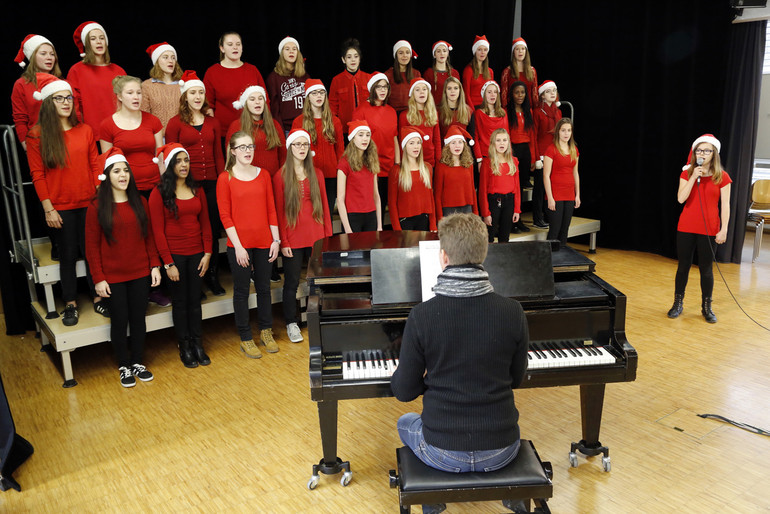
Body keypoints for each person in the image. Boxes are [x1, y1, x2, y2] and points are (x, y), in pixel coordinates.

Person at [391, 212, 529, 514]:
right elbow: (516, 379)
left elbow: (403, 392)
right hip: (502, 449)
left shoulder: (423, 315)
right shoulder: (513, 311)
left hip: (443, 451)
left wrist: (427, 374)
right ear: (484, 253)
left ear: (443, 256)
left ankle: (432, 505)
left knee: (405, 423)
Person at [26, 74, 103, 325]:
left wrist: (98, 198)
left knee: (94, 253)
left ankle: (98, 299)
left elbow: (94, 166)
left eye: (68, 97)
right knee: (68, 256)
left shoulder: (86, 130)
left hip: (89, 203)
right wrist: (49, 209)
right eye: (59, 98)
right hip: (61, 207)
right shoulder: (37, 135)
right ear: (49, 103)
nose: (66, 102)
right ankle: (70, 304)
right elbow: (38, 175)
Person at [85, 147, 161, 388]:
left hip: (139, 272)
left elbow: (148, 238)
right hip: (113, 277)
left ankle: (138, 361)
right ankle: (123, 365)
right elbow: (92, 247)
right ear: (107, 176)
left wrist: (155, 266)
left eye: (126, 170)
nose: (123, 175)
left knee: (138, 319)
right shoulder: (97, 206)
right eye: (117, 170)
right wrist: (98, 278)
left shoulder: (141, 201)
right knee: (120, 320)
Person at [217, 131, 281, 359]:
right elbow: (225, 216)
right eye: (242, 147)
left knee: (264, 289)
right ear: (232, 151)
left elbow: (271, 209)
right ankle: (245, 337)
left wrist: (276, 240)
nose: (247, 151)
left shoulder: (263, 175)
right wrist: (239, 246)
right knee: (242, 292)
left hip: (265, 242)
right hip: (240, 246)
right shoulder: (226, 178)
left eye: (250, 146)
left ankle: (266, 331)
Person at [149, 143, 213, 368]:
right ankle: (184, 346)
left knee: (195, 302)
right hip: (174, 256)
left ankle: (198, 344)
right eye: (178, 161)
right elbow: (157, 231)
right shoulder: (158, 193)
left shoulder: (198, 190)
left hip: (197, 254)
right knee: (180, 302)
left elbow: (205, 223)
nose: (184, 165)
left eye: (186, 160)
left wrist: (207, 253)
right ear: (169, 165)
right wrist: (168, 263)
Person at [165, 70, 226, 296]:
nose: (198, 96)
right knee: (194, 232)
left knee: (211, 229)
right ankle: (196, 281)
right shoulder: (175, 123)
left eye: (201, 92)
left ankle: (212, 276)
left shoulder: (213, 122)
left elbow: (218, 154)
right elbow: (170, 156)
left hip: (211, 183)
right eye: (193, 92)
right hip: (186, 186)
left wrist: (222, 181)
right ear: (185, 96)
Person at [273, 129, 332, 343]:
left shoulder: (317, 173)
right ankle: (291, 323)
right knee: (291, 283)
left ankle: (319, 319)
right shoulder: (280, 176)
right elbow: (279, 211)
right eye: (296, 145)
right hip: (293, 238)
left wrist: (327, 235)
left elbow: (325, 205)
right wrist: (283, 241)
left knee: (317, 281)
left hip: (316, 235)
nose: (301, 148)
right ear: (290, 148)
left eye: (304, 145)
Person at [668, 134, 731, 323]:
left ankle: (707, 307)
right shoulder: (686, 173)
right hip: (686, 226)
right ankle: (678, 303)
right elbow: (680, 198)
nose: (703, 153)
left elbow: (726, 206)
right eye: (699, 150)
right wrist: (694, 175)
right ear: (695, 153)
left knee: (706, 269)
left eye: (707, 150)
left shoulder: (723, 176)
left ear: (714, 153)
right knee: (683, 267)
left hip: (710, 228)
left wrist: (724, 229)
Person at [99, 76, 164, 197]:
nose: (136, 97)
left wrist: (166, 184)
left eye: (139, 93)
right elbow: (108, 164)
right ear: (119, 96)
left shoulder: (153, 121)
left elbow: (160, 157)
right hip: (125, 189)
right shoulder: (107, 125)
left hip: (155, 186)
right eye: (130, 93)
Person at [291, 79, 344, 218]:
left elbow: (340, 151)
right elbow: (294, 152)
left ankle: (328, 240)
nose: (319, 96)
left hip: (331, 176)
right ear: (308, 97)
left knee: (328, 215)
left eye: (321, 93)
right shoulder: (299, 121)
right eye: (314, 93)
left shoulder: (335, 121)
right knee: (311, 214)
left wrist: (340, 174)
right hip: (309, 175)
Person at [66, 21, 126, 141]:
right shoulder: (76, 70)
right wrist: (79, 130)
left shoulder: (119, 70)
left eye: (101, 38)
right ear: (87, 44)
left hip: (120, 132)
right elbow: (74, 105)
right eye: (93, 39)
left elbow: (127, 102)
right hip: (92, 135)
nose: (98, 41)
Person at [203, 31, 266, 142]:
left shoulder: (252, 70)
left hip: (253, 131)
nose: (235, 48)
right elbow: (208, 106)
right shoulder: (212, 72)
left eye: (238, 44)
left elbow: (265, 101)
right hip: (223, 134)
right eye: (230, 44)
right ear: (222, 48)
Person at [352, 73, 398, 219]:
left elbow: (394, 138)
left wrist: (397, 164)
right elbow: (356, 142)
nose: (383, 90)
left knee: (386, 205)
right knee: (371, 208)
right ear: (372, 88)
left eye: (385, 87)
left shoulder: (391, 111)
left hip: (389, 166)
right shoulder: (361, 111)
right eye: (379, 87)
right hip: (370, 166)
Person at [12, 34, 62, 150]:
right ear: (33, 57)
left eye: (52, 54)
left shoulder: (61, 83)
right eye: (43, 54)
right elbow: (20, 119)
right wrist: (27, 146)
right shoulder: (21, 85)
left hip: (65, 140)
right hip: (39, 143)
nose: (49, 58)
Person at [228, 85, 286, 175]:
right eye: (252, 99)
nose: (257, 102)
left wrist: (281, 177)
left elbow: (283, 156)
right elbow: (231, 158)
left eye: (260, 98)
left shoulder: (274, 125)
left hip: (273, 179)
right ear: (245, 103)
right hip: (247, 180)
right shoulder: (236, 126)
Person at [337, 120, 382, 233]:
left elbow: (376, 195)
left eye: (367, 135)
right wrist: (348, 229)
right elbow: (340, 200)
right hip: (353, 217)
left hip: (371, 216)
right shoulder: (344, 163)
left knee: (370, 250)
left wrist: (380, 225)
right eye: (360, 135)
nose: (365, 138)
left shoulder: (372, 161)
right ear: (353, 138)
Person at [389, 127, 436, 231]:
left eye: (418, 143)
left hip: (424, 220)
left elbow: (430, 198)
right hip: (405, 222)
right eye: (411, 143)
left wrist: (433, 224)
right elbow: (392, 203)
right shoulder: (396, 170)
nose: (416, 147)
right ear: (405, 146)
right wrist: (397, 229)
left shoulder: (427, 168)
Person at [543, 118, 580, 249]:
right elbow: (546, 175)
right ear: (558, 131)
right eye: (563, 130)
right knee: (555, 230)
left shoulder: (574, 149)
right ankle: (549, 262)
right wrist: (550, 198)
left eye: (569, 130)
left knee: (564, 230)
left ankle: (562, 261)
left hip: (569, 194)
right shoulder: (551, 149)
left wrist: (577, 195)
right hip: (556, 195)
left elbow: (575, 173)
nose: (566, 133)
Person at [479, 128, 521, 242]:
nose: (502, 143)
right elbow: (482, 190)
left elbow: (517, 187)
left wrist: (517, 209)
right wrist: (485, 213)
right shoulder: (487, 162)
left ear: (508, 142)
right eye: (498, 140)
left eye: (504, 140)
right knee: (489, 235)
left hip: (509, 202)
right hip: (493, 201)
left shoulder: (514, 161)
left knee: (505, 236)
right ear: (493, 143)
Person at [507, 81, 537, 232]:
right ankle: (511, 222)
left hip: (525, 151)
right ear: (512, 94)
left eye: (523, 92)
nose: (520, 95)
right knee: (514, 188)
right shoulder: (507, 111)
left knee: (522, 189)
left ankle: (519, 220)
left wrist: (532, 157)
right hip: (513, 150)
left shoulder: (528, 111)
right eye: (517, 92)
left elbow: (531, 136)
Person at [532, 80, 562, 228]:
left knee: (551, 187)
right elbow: (534, 137)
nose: (552, 94)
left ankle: (548, 214)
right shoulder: (537, 112)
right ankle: (537, 218)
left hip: (554, 154)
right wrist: (537, 158)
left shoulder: (558, 112)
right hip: (542, 156)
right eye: (549, 91)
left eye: (554, 91)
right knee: (540, 188)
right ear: (542, 96)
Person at [434, 125, 478, 221]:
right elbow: (437, 195)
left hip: (467, 208)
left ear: (464, 145)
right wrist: (440, 217)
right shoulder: (441, 166)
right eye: (453, 142)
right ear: (448, 145)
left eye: (460, 142)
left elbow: (472, 189)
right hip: (448, 210)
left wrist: (476, 213)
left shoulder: (468, 164)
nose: (457, 146)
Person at [266, 36, 309, 133]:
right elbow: (274, 108)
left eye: (294, 49)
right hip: (286, 129)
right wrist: (279, 130)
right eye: (287, 49)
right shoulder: (273, 78)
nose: (291, 52)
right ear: (281, 53)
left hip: (306, 126)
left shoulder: (305, 76)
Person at [468, 81, 508, 184]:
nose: (492, 95)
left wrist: (507, 157)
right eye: (489, 92)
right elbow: (475, 137)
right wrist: (479, 159)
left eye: (495, 92)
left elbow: (507, 136)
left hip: (501, 156)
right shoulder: (478, 114)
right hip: (486, 157)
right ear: (484, 94)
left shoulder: (503, 113)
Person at [329, 38, 370, 136]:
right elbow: (332, 106)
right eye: (349, 57)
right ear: (343, 59)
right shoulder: (337, 80)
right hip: (345, 130)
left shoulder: (369, 78)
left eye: (356, 56)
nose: (353, 60)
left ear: (360, 58)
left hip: (366, 128)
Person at [140, 42, 183, 133]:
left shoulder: (183, 84)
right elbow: (144, 117)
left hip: (181, 137)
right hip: (158, 138)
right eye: (165, 57)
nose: (170, 61)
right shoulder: (147, 86)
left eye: (173, 57)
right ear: (156, 62)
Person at [398, 78, 441, 168]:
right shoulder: (405, 115)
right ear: (412, 94)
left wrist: (438, 160)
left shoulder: (433, 113)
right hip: (412, 163)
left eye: (424, 89)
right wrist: (404, 163)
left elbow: (436, 140)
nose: (421, 92)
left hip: (430, 161)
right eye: (417, 90)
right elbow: (402, 143)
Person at [500, 38, 538, 110]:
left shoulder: (532, 71)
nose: (520, 51)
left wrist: (535, 110)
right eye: (517, 49)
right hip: (512, 110)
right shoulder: (507, 72)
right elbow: (504, 96)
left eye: (523, 49)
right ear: (513, 52)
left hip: (528, 110)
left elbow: (534, 93)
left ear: (526, 51)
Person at [385, 40, 421, 114]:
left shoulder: (416, 74)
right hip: (393, 113)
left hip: (412, 112)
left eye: (407, 52)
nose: (404, 55)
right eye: (401, 53)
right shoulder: (388, 74)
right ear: (396, 55)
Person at [423, 40, 459, 108]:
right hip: (434, 110)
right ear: (434, 54)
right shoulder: (429, 73)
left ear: (448, 53)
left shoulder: (454, 73)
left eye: (444, 51)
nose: (442, 54)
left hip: (450, 109)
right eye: (438, 51)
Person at [462, 35, 493, 108]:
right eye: (479, 50)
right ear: (475, 51)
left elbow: (491, 92)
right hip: (473, 107)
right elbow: (466, 94)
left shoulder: (490, 71)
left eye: (485, 50)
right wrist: (472, 111)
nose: (482, 52)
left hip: (486, 107)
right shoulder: (468, 70)